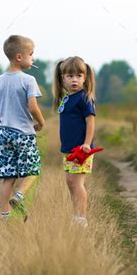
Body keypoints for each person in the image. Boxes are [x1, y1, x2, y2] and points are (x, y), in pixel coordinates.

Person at [0, 34, 45, 221]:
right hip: (24, 133)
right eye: (31, 54)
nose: (33, 58)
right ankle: (19, 196)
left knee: (9, 175)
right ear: (19, 57)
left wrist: (4, 121)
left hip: (5, 132)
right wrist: (41, 122)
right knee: (33, 170)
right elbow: (32, 107)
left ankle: (5, 215)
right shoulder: (28, 80)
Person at [52, 56, 96, 228]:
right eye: (70, 76)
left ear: (85, 78)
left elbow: (90, 121)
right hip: (69, 149)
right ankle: (76, 215)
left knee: (77, 183)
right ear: (63, 78)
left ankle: (81, 218)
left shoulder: (84, 98)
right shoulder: (67, 98)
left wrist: (87, 143)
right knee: (70, 183)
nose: (74, 79)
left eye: (79, 75)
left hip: (81, 150)